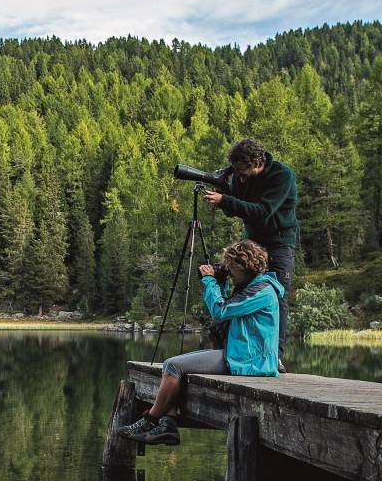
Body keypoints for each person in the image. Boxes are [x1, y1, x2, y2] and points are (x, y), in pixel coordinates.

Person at [119, 240, 283, 446]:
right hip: (241, 354)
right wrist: (220, 282)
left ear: (244, 267)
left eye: (231, 269)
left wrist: (209, 281)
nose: (229, 273)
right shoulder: (253, 286)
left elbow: (220, 311)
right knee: (173, 365)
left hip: (249, 360)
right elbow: (226, 308)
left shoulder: (262, 291)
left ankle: (150, 420)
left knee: (173, 366)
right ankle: (167, 425)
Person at [202, 138, 297, 362]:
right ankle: (239, 351)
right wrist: (224, 194)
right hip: (253, 242)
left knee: (277, 297)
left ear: (256, 163)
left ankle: (276, 357)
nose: (239, 176)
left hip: (279, 242)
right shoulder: (241, 176)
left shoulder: (281, 176)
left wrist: (225, 200)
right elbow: (236, 209)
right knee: (242, 291)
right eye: (236, 171)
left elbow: (263, 210)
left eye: (242, 170)